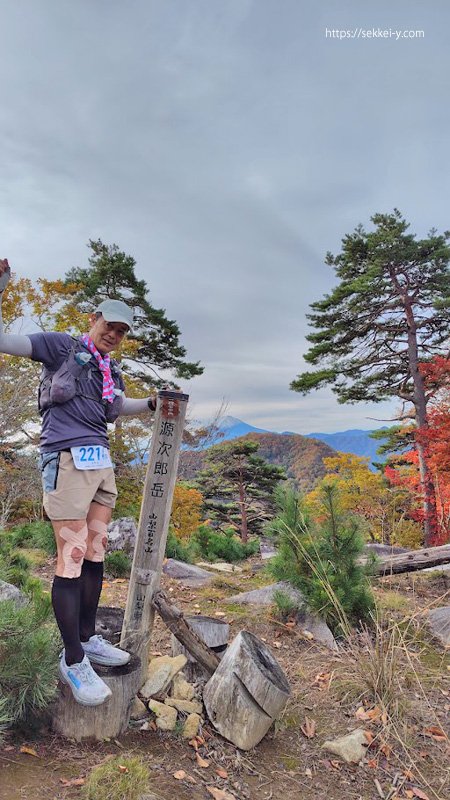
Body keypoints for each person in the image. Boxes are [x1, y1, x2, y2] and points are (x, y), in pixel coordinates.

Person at [0, 258, 156, 707]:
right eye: (110, 325)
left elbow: (115, 405)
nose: (114, 334)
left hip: (100, 465)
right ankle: (71, 661)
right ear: (93, 319)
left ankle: (86, 638)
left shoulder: (110, 370)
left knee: (94, 553)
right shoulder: (58, 346)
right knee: (69, 559)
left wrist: (148, 404)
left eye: (123, 330)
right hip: (66, 460)